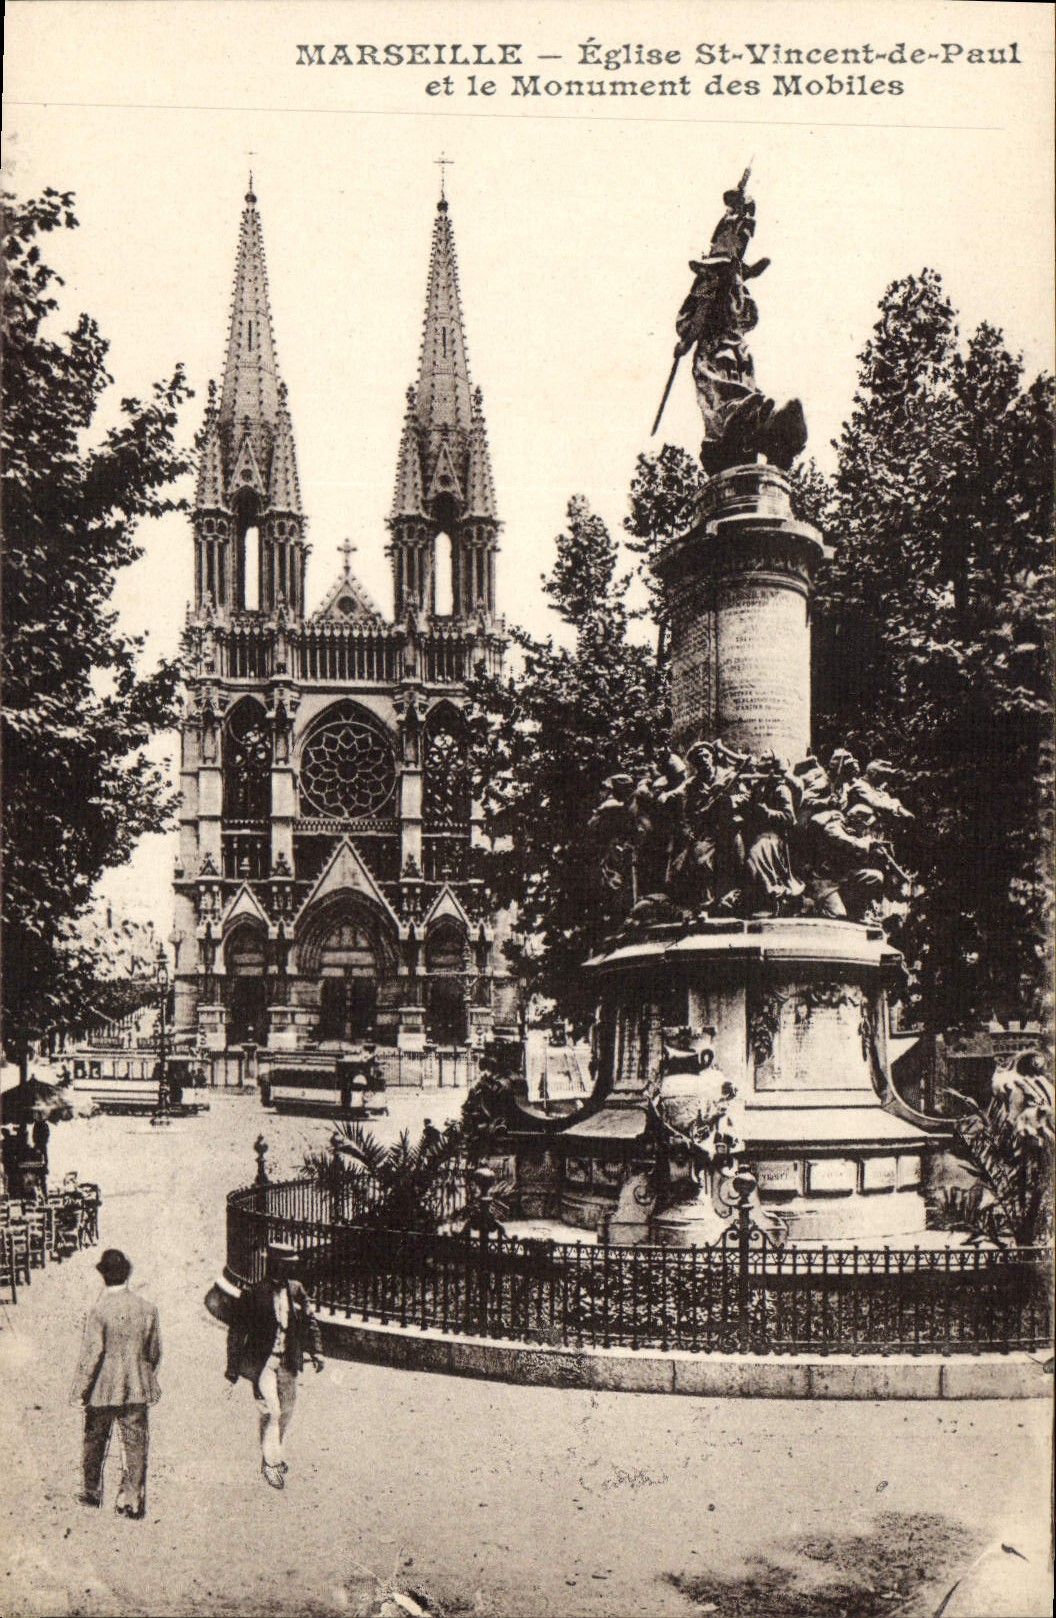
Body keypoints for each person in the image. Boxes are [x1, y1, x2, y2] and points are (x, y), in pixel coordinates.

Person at [69, 1249, 161, 1518]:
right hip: (136, 1386)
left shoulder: (99, 1310)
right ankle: (132, 1498)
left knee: (95, 1438)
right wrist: (141, 1375)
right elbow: (154, 1353)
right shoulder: (148, 1309)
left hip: (103, 1387)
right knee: (135, 1443)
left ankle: (91, 1491)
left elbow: (92, 1355)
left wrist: (80, 1391)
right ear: (127, 1275)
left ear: (103, 1276)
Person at [225, 1242, 323, 1490]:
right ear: (272, 1265)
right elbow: (236, 1333)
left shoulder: (296, 1290)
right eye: (283, 1265)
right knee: (271, 1411)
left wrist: (317, 1351)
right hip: (263, 1363)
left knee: (287, 1411)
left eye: (290, 1265)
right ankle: (271, 1464)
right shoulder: (254, 1293)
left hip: (288, 1360)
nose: (287, 1269)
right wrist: (232, 1370)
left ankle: (273, 1451)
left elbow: (310, 1322)